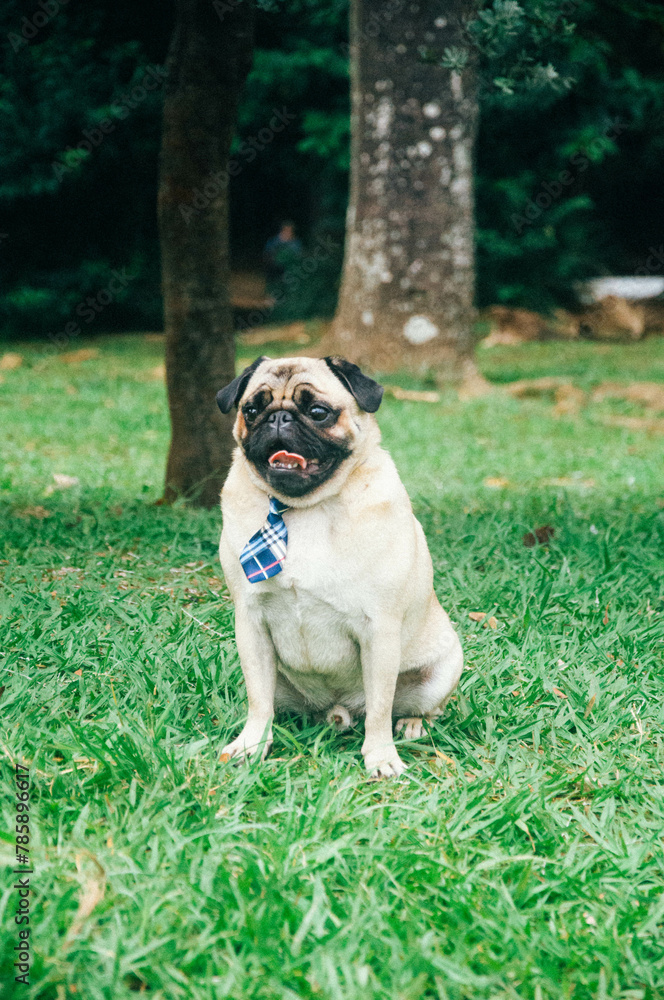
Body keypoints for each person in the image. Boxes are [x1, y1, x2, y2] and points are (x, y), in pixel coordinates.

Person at [262, 220, 303, 294]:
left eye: (290, 230)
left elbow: (298, 255)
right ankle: (271, 293)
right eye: (286, 230)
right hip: (275, 264)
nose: (288, 232)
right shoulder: (274, 240)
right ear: (282, 230)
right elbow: (267, 252)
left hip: (289, 266)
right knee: (272, 272)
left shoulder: (296, 243)